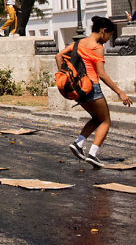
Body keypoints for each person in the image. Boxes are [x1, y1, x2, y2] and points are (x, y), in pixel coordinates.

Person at [56, 16, 132, 168]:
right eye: (109, 35)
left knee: (96, 118)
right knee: (105, 120)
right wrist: (120, 92)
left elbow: (58, 56)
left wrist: (67, 76)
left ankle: (78, 144)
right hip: (92, 87)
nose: (107, 39)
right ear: (103, 31)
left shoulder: (77, 44)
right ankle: (93, 154)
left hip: (80, 89)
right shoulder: (97, 47)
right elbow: (102, 74)